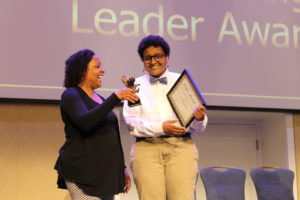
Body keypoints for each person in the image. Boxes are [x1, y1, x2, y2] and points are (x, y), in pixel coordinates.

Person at [122, 35, 208, 200]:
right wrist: (161, 128)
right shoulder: (135, 86)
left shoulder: (181, 81)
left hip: (181, 147)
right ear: (143, 61)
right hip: (146, 149)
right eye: (148, 58)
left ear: (167, 58)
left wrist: (198, 118)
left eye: (158, 56)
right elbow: (132, 124)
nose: (153, 61)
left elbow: (198, 126)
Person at [54, 49, 138, 200]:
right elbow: (85, 122)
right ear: (82, 70)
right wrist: (115, 97)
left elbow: (112, 136)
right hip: (82, 173)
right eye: (97, 66)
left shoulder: (100, 99)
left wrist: (122, 168)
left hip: (104, 175)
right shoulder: (71, 95)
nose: (103, 70)